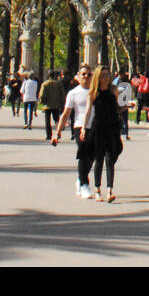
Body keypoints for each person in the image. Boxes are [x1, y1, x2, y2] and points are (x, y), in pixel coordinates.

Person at [52, 65, 97, 199]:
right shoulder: (73, 93)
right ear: (78, 76)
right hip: (78, 126)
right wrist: (58, 132)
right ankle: (84, 184)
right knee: (84, 153)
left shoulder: (96, 92)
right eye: (84, 74)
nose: (86, 77)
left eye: (89, 74)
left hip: (94, 127)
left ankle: (80, 178)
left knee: (92, 156)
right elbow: (66, 114)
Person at [80, 66, 124, 203]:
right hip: (98, 128)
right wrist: (83, 128)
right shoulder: (93, 93)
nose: (106, 78)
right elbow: (88, 111)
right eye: (104, 75)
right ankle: (98, 190)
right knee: (99, 159)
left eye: (108, 75)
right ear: (99, 77)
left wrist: (125, 107)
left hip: (111, 127)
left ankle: (110, 190)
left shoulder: (114, 90)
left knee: (110, 160)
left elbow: (118, 107)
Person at [39, 71, 65, 141]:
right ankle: (58, 133)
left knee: (47, 121)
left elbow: (41, 95)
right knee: (56, 120)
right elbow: (62, 94)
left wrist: (42, 101)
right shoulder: (58, 84)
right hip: (56, 105)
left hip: (47, 105)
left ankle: (48, 135)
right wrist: (62, 102)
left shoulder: (45, 84)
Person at [114, 72, 134, 140]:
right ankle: (118, 134)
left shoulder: (127, 82)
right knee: (118, 120)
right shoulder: (117, 81)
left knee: (125, 120)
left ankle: (126, 134)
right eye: (119, 75)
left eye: (121, 75)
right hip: (118, 103)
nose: (120, 76)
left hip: (124, 103)